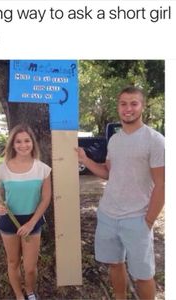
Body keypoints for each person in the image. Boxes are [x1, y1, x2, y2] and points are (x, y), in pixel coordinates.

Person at [76, 86, 165, 300]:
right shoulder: (115, 140)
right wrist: (86, 160)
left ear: (142, 106)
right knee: (114, 264)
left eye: (134, 103)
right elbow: (108, 173)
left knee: (143, 275)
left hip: (137, 219)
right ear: (118, 107)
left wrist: (148, 221)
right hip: (108, 215)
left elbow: (162, 185)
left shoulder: (155, 140)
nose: (128, 109)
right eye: (123, 103)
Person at [0, 124, 52, 300]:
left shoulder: (43, 168)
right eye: (18, 141)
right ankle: (19, 295)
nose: (23, 145)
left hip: (32, 221)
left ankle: (30, 291)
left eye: (27, 140)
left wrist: (32, 223)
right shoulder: (2, 169)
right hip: (8, 221)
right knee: (12, 262)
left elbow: (46, 198)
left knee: (30, 267)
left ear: (32, 143)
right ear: (12, 144)